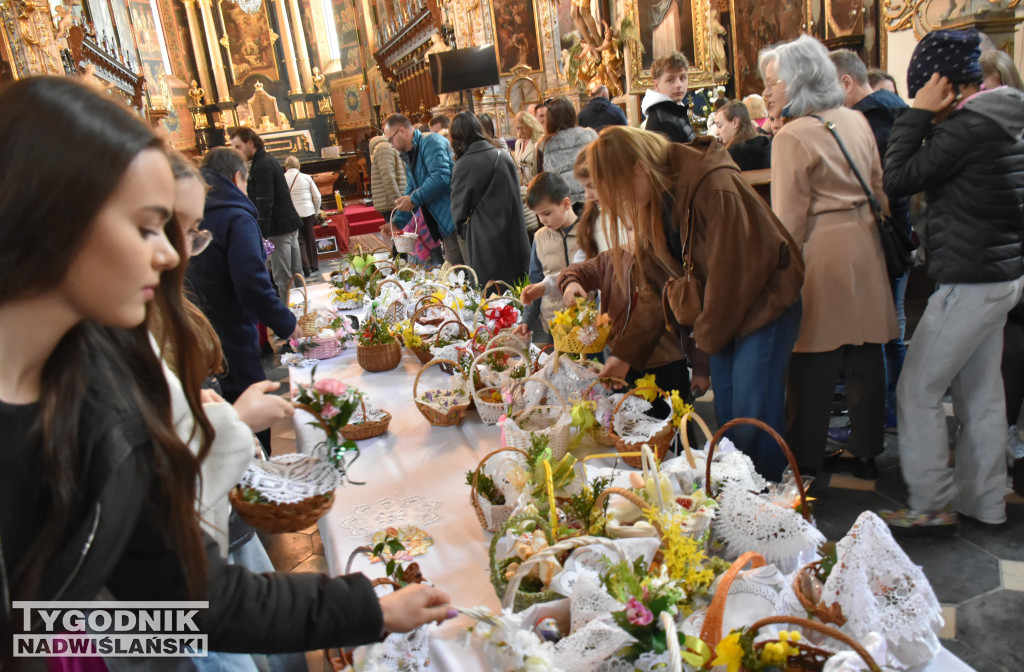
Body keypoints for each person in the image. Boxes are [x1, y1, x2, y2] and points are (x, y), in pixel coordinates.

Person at [0, 76, 454, 662]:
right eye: (145, 228)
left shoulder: (102, 375)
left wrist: (367, 609)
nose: (169, 256)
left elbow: (184, 599)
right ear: (49, 216)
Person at [587, 126, 804, 479]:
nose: (622, 203)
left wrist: (705, 342)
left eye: (621, 191)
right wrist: (624, 355)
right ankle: (738, 499)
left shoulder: (711, 185)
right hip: (723, 315)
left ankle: (764, 506)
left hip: (765, 305)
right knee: (732, 420)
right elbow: (657, 288)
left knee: (751, 417)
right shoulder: (654, 198)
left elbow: (732, 276)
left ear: (640, 168)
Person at [882, 29, 1024, 533]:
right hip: (999, 274)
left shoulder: (967, 128)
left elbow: (896, 179)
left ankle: (931, 505)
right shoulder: (1000, 118)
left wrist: (916, 112)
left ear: (941, 84)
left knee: (916, 390)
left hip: (970, 280)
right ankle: (983, 501)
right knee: (981, 396)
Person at [762, 36, 897, 482]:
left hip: (822, 252)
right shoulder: (855, 119)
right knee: (865, 353)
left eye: (773, 82)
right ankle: (866, 451)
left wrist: (776, 274)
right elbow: (880, 190)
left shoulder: (792, 136)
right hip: (865, 245)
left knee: (811, 360)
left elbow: (787, 221)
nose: (767, 93)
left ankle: (806, 459)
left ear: (798, 81)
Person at [556, 148, 707, 397]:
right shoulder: (613, 257)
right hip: (622, 361)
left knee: (674, 427)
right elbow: (577, 270)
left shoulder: (663, 259)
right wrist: (571, 283)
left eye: (634, 225)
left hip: (667, 361)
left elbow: (691, 319)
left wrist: (701, 368)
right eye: (626, 226)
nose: (632, 234)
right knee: (627, 425)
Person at [186, 147, 301, 455]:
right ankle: (257, 487)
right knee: (249, 415)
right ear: (237, 177)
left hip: (194, 328)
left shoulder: (194, 208)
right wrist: (287, 324)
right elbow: (251, 281)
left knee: (215, 412)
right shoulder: (235, 212)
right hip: (230, 330)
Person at [830, 48, 911, 436]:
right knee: (891, 330)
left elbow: (879, 186)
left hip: (879, 236)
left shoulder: (868, 120)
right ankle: (894, 409)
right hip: (898, 234)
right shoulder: (894, 109)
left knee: (877, 335)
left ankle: (882, 415)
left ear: (846, 83)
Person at [449, 111, 531, 287]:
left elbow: (458, 211)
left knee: (492, 296)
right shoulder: (504, 156)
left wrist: (464, 231)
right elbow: (516, 196)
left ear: (456, 137)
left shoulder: (463, 165)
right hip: (514, 234)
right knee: (518, 290)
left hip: (484, 240)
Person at [229, 128, 303, 305]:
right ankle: (304, 314)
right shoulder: (267, 159)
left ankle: (290, 323)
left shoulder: (262, 165)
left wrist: (261, 235)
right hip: (288, 224)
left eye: (238, 146)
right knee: (296, 275)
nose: (236, 152)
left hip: (278, 228)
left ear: (250, 143)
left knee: (283, 279)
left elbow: (265, 201)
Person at [384, 113, 462, 264]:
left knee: (471, 274)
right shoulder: (410, 154)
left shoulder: (430, 141)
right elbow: (412, 189)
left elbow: (440, 176)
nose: (391, 145)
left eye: (390, 139)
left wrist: (413, 199)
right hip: (445, 225)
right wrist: (397, 222)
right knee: (457, 276)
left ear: (402, 131)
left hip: (458, 218)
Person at [515, 172, 580, 344]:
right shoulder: (539, 238)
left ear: (566, 203)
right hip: (554, 324)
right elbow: (536, 281)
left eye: (547, 213)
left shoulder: (587, 232)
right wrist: (527, 319)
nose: (542, 220)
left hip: (587, 325)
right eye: (538, 215)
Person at [537, 96, 597, 209]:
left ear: (550, 119)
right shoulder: (590, 136)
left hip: (564, 207)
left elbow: (543, 181)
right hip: (593, 199)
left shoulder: (545, 145)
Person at [641, 52, 696, 144]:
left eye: (682, 78)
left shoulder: (673, 109)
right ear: (656, 84)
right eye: (670, 80)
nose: (678, 85)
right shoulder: (663, 120)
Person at [283, 155, 322, 278]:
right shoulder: (306, 178)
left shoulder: (282, 178)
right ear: (299, 166)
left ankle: (305, 266)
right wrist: (315, 211)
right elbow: (317, 197)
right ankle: (314, 265)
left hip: (292, 214)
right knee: (310, 238)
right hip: (307, 212)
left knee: (299, 240)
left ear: (286, 166)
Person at [715, 100, 771, 170]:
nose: (717, 132)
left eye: (719, 126)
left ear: (735, 122)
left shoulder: (732, 154)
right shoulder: (767, 143)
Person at [514, 110, 545, 236]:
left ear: (530, 126)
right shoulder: (518, 143)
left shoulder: (538, 141)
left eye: (523, 128)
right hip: (524, 184)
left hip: (535, 181)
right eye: (518, 128)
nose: (520, 132)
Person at [370, 131, 407, 222]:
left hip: (394, 201)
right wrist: (398, 202)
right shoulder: (385, 148)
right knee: (398, 234)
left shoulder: (389, 146)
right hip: (391, 203)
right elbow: (388, 178)